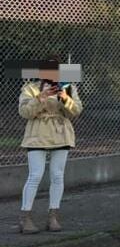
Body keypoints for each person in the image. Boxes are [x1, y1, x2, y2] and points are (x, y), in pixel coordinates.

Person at [17, 61, 83, 233]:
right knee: (35, 175)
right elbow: (24, 112)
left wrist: (64, 98)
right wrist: (41, 97)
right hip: (37, 134)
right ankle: (25, 219)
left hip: (61, 133)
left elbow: (75, 111)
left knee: (57, 175)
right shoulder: (30, 88)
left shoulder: (67, 87)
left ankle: (53, 217)